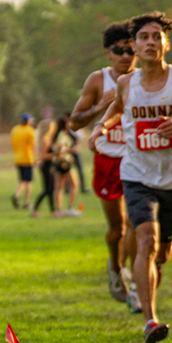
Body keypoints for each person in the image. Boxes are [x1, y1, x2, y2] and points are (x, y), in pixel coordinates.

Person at [93, 11, 172, 343]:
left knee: (161, 253)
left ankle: (146, 292)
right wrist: (103, 126)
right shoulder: (127, 83)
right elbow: (117, 108)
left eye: (156, 37)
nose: (149, 43)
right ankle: (149, 319)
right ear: (135, 45)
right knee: (146, 240)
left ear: (165, 43)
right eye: (143, 37)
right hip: (135, 175)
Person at [71, 21, 138, 303]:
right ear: (107, 53)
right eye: (118, 50)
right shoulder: (98, 80)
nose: (125, 55)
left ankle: (137, 283)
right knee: (118, 227)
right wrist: (102, 106)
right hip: (108, 160)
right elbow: (74, 122)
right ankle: (115, 265)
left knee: (139, 223)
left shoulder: (148, 77)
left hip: (139, 158)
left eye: (130, 50)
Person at [52, 117, 81, 215]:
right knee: (72, 184)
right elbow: (60, 149)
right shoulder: (62, 135)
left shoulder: (62, 134)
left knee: (59, 186)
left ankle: (60, 210)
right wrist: (71, 150)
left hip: (61, 162)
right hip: (64, 163)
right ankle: (70, 208)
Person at [11, 113, 36, 209]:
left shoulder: (15, 130)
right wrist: (36, 159)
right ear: (28, 121)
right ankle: (26, 203)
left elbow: (12, 143)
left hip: (17, 158)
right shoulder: (29, 131)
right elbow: (32, 146)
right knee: (28, 182)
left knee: (21, 179)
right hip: (27, 159)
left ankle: (16, 195)